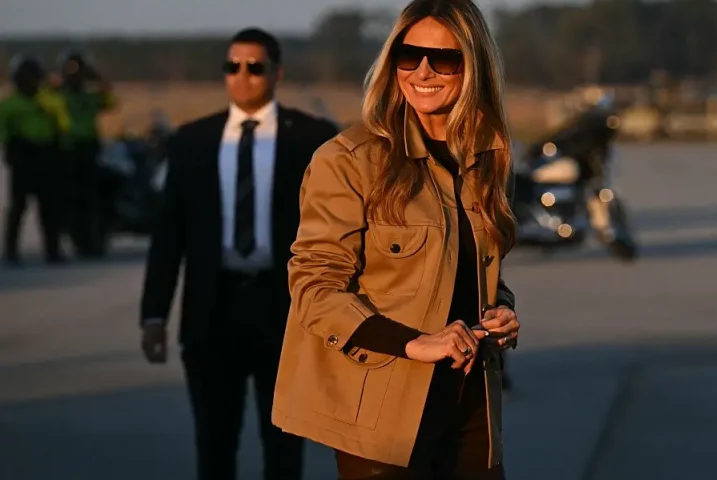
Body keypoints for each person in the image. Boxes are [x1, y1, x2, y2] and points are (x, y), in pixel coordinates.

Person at [272, 1, 521, 478]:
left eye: (443, 58)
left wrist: (502, 307)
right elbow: (314, 288)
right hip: (383, 417)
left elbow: (470, 269)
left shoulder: (489, 158)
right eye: (409, 55)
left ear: (474, 66)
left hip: (471, 410)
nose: (423, 71)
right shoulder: (349, 160)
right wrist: (416, 343)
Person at [139, 28, 337, 480]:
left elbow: (339, 233)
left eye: (254, 67)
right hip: (212, 311)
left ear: (276, 72)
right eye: (233, 67)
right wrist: (154, 315)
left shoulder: (311, 138)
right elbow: (169, 235)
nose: (242, 76)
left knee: (284, 448)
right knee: (213, 445)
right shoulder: (193, 141)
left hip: (284, 311)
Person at [1, 54, 71, 266]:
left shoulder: (50, 101)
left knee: (50, 207)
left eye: (33, 78)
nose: (30, 83)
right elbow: (4, 131)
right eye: (25, 78)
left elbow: (64, 124)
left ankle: (53, 250)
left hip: (46, 155)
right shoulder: (9, 105)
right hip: (23, 156)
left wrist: (62, 149)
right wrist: (11, 152)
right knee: (18, 207)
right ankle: (11, 250)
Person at [56, 49, 117, 257]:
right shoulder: (58, 97)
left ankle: (91, 240)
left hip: (89, 148)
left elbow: (111, 101)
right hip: (68, 150)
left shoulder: (90, 97)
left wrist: (98, 77)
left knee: (90, 199)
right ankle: (77, 239)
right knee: (72, 199)